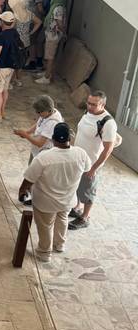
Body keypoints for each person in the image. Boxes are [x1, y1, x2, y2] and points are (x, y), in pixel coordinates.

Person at [18, 122, 91, 262]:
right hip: (68, 199)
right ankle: (59, 245)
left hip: (46, 202)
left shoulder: (44, 157)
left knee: (46, 226)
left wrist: (22, 191)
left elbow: (29, 179)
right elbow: (87, 168)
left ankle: (44, 253)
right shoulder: (81, 153)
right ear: (70, 138)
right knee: (62, 219)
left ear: (53, 139)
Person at [69, 90, 119, 231]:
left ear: (103, 105)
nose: (90, 106)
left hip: (91, 163)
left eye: (94, 104)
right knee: (78, 186)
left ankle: (85, 217)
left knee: (88, 191)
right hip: (78, 159)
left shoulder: (108, 123)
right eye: (88, 103)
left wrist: (93, 169)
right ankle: (77, 208)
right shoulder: (88, 113)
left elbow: (108, 149)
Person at [0, 10, 22, 120]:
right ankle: (2, 111)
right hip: (11, 66)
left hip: (1, 67)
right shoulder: (15, 33)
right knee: (5, 90)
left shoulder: (1, 37)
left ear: (2, 22)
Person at [14, 95, 64, 166]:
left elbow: (40, 143)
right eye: (37, 111)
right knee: (30, 166)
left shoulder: (52, 123)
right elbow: (39, 123)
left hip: (43, 153)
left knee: (34, 171)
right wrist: (27, 132)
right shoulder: (49, 112)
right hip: (36, 150)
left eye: (39, 112)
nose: (38, 114)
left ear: (49, 110)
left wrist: (26, 135)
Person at [35, 0, 67, 85]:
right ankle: (47, 73)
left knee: (50, 57)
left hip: (53, 36)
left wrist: (64, 33)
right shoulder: (58, 7)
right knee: (49, 55)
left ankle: (47, 77)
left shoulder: (58, 8)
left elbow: (59, 23)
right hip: (52, 35)